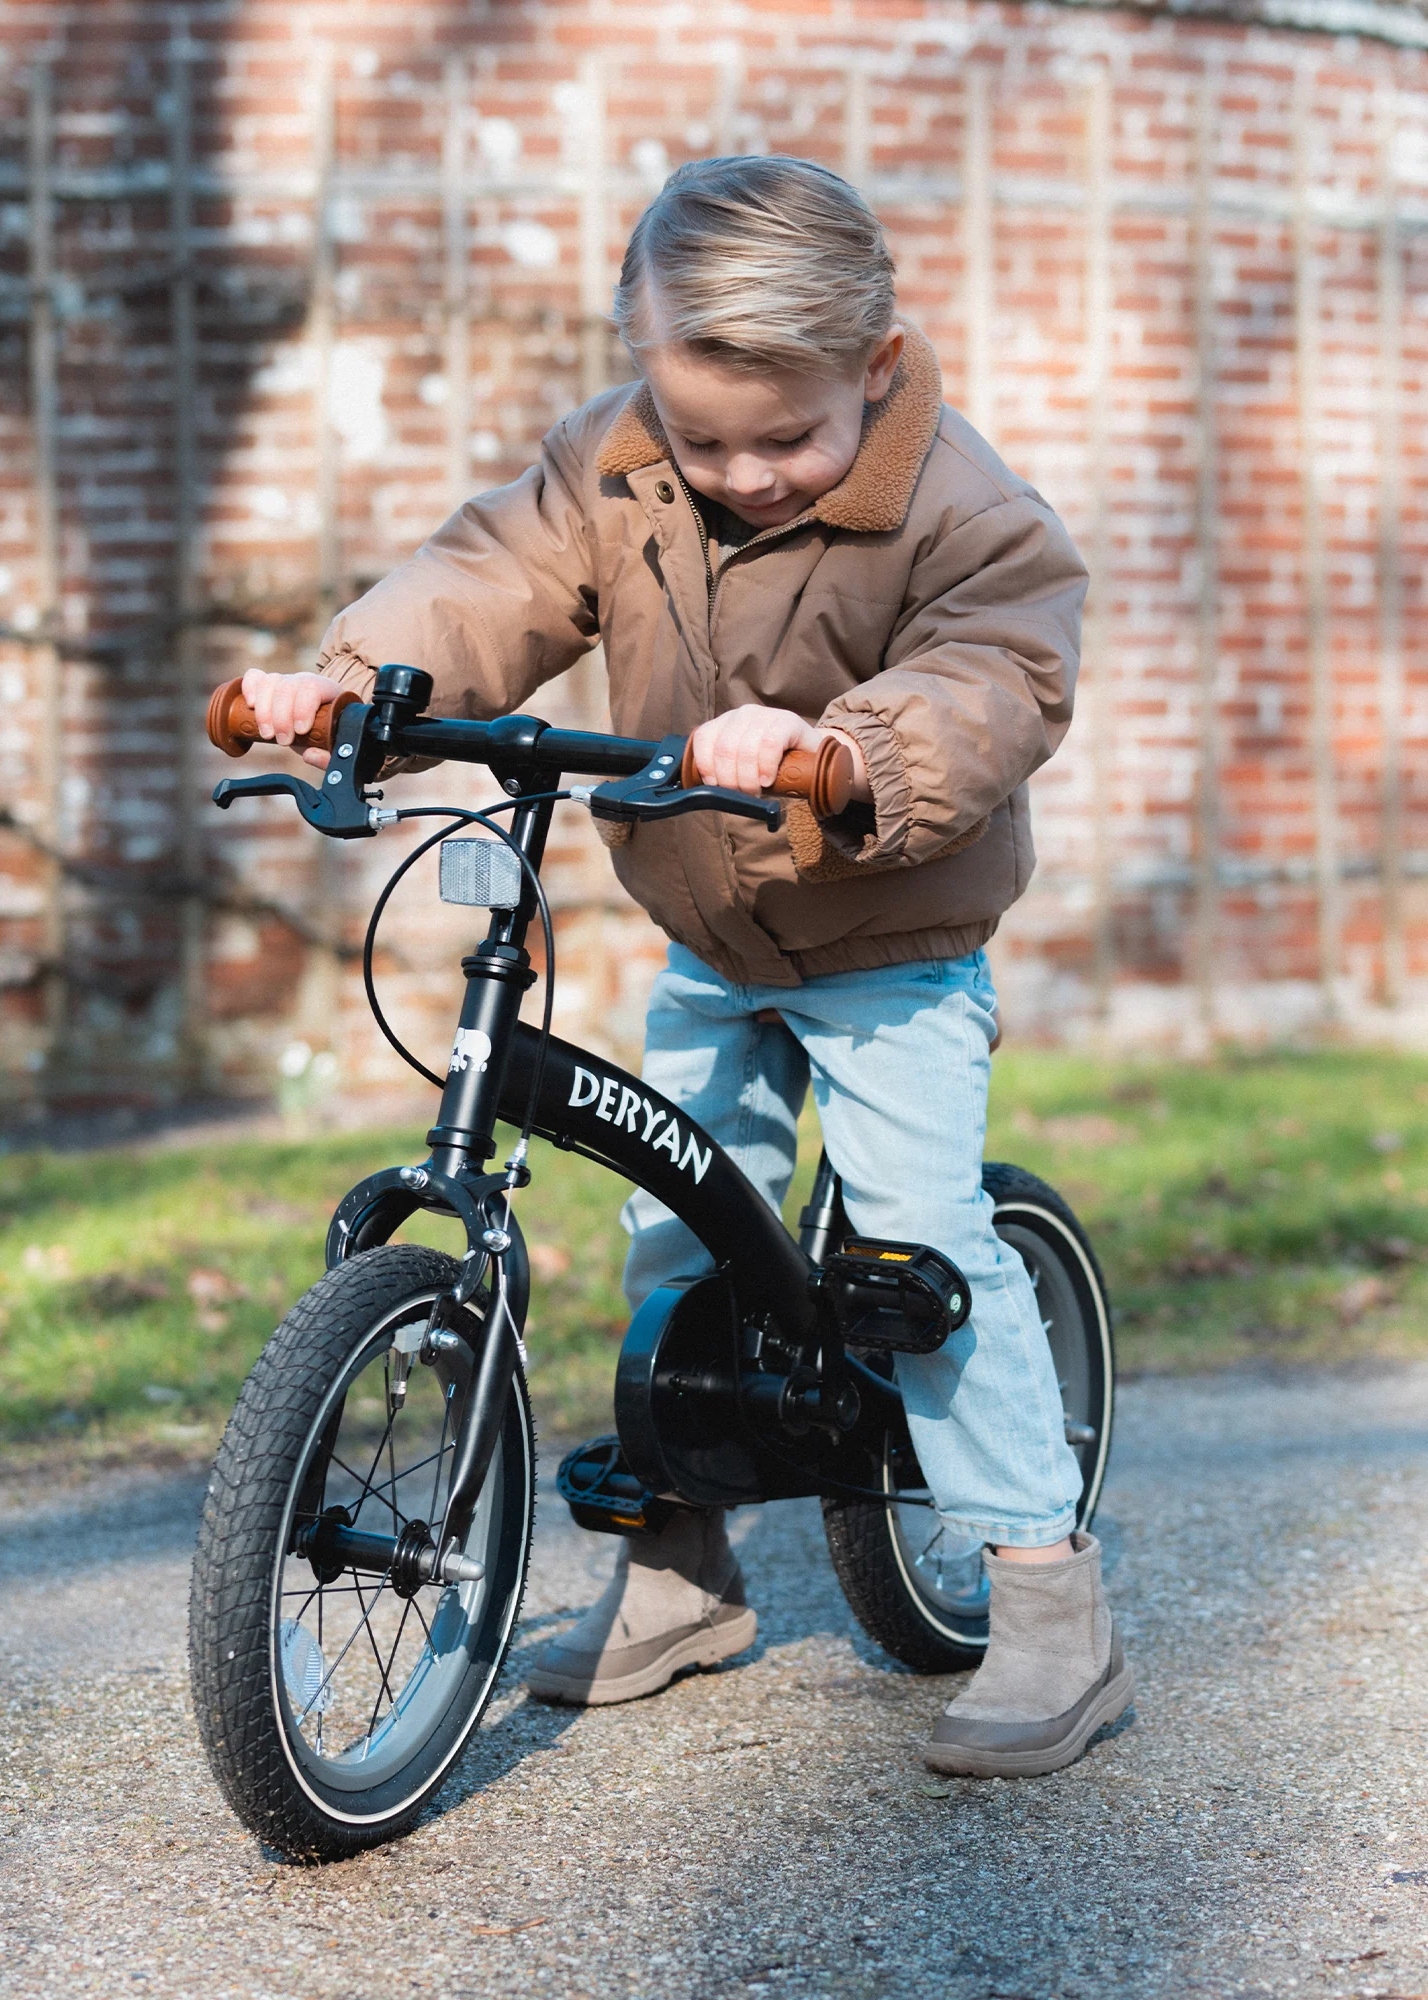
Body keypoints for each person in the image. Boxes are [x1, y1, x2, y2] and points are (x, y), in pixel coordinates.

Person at [237, 155, 1132, 1778]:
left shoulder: (965, 506)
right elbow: (492, 574)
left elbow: (999, 675)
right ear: (644, 366)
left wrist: (838, 747)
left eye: (787, 439)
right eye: (703, 435)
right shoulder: (619, 462)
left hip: (890, 938)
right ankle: (682, 1568)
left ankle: (1045, 1592)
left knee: (920, 1258)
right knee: (674, 1249)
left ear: (875, 366)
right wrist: (347, 678)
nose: (741, 473)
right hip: (714, 934)